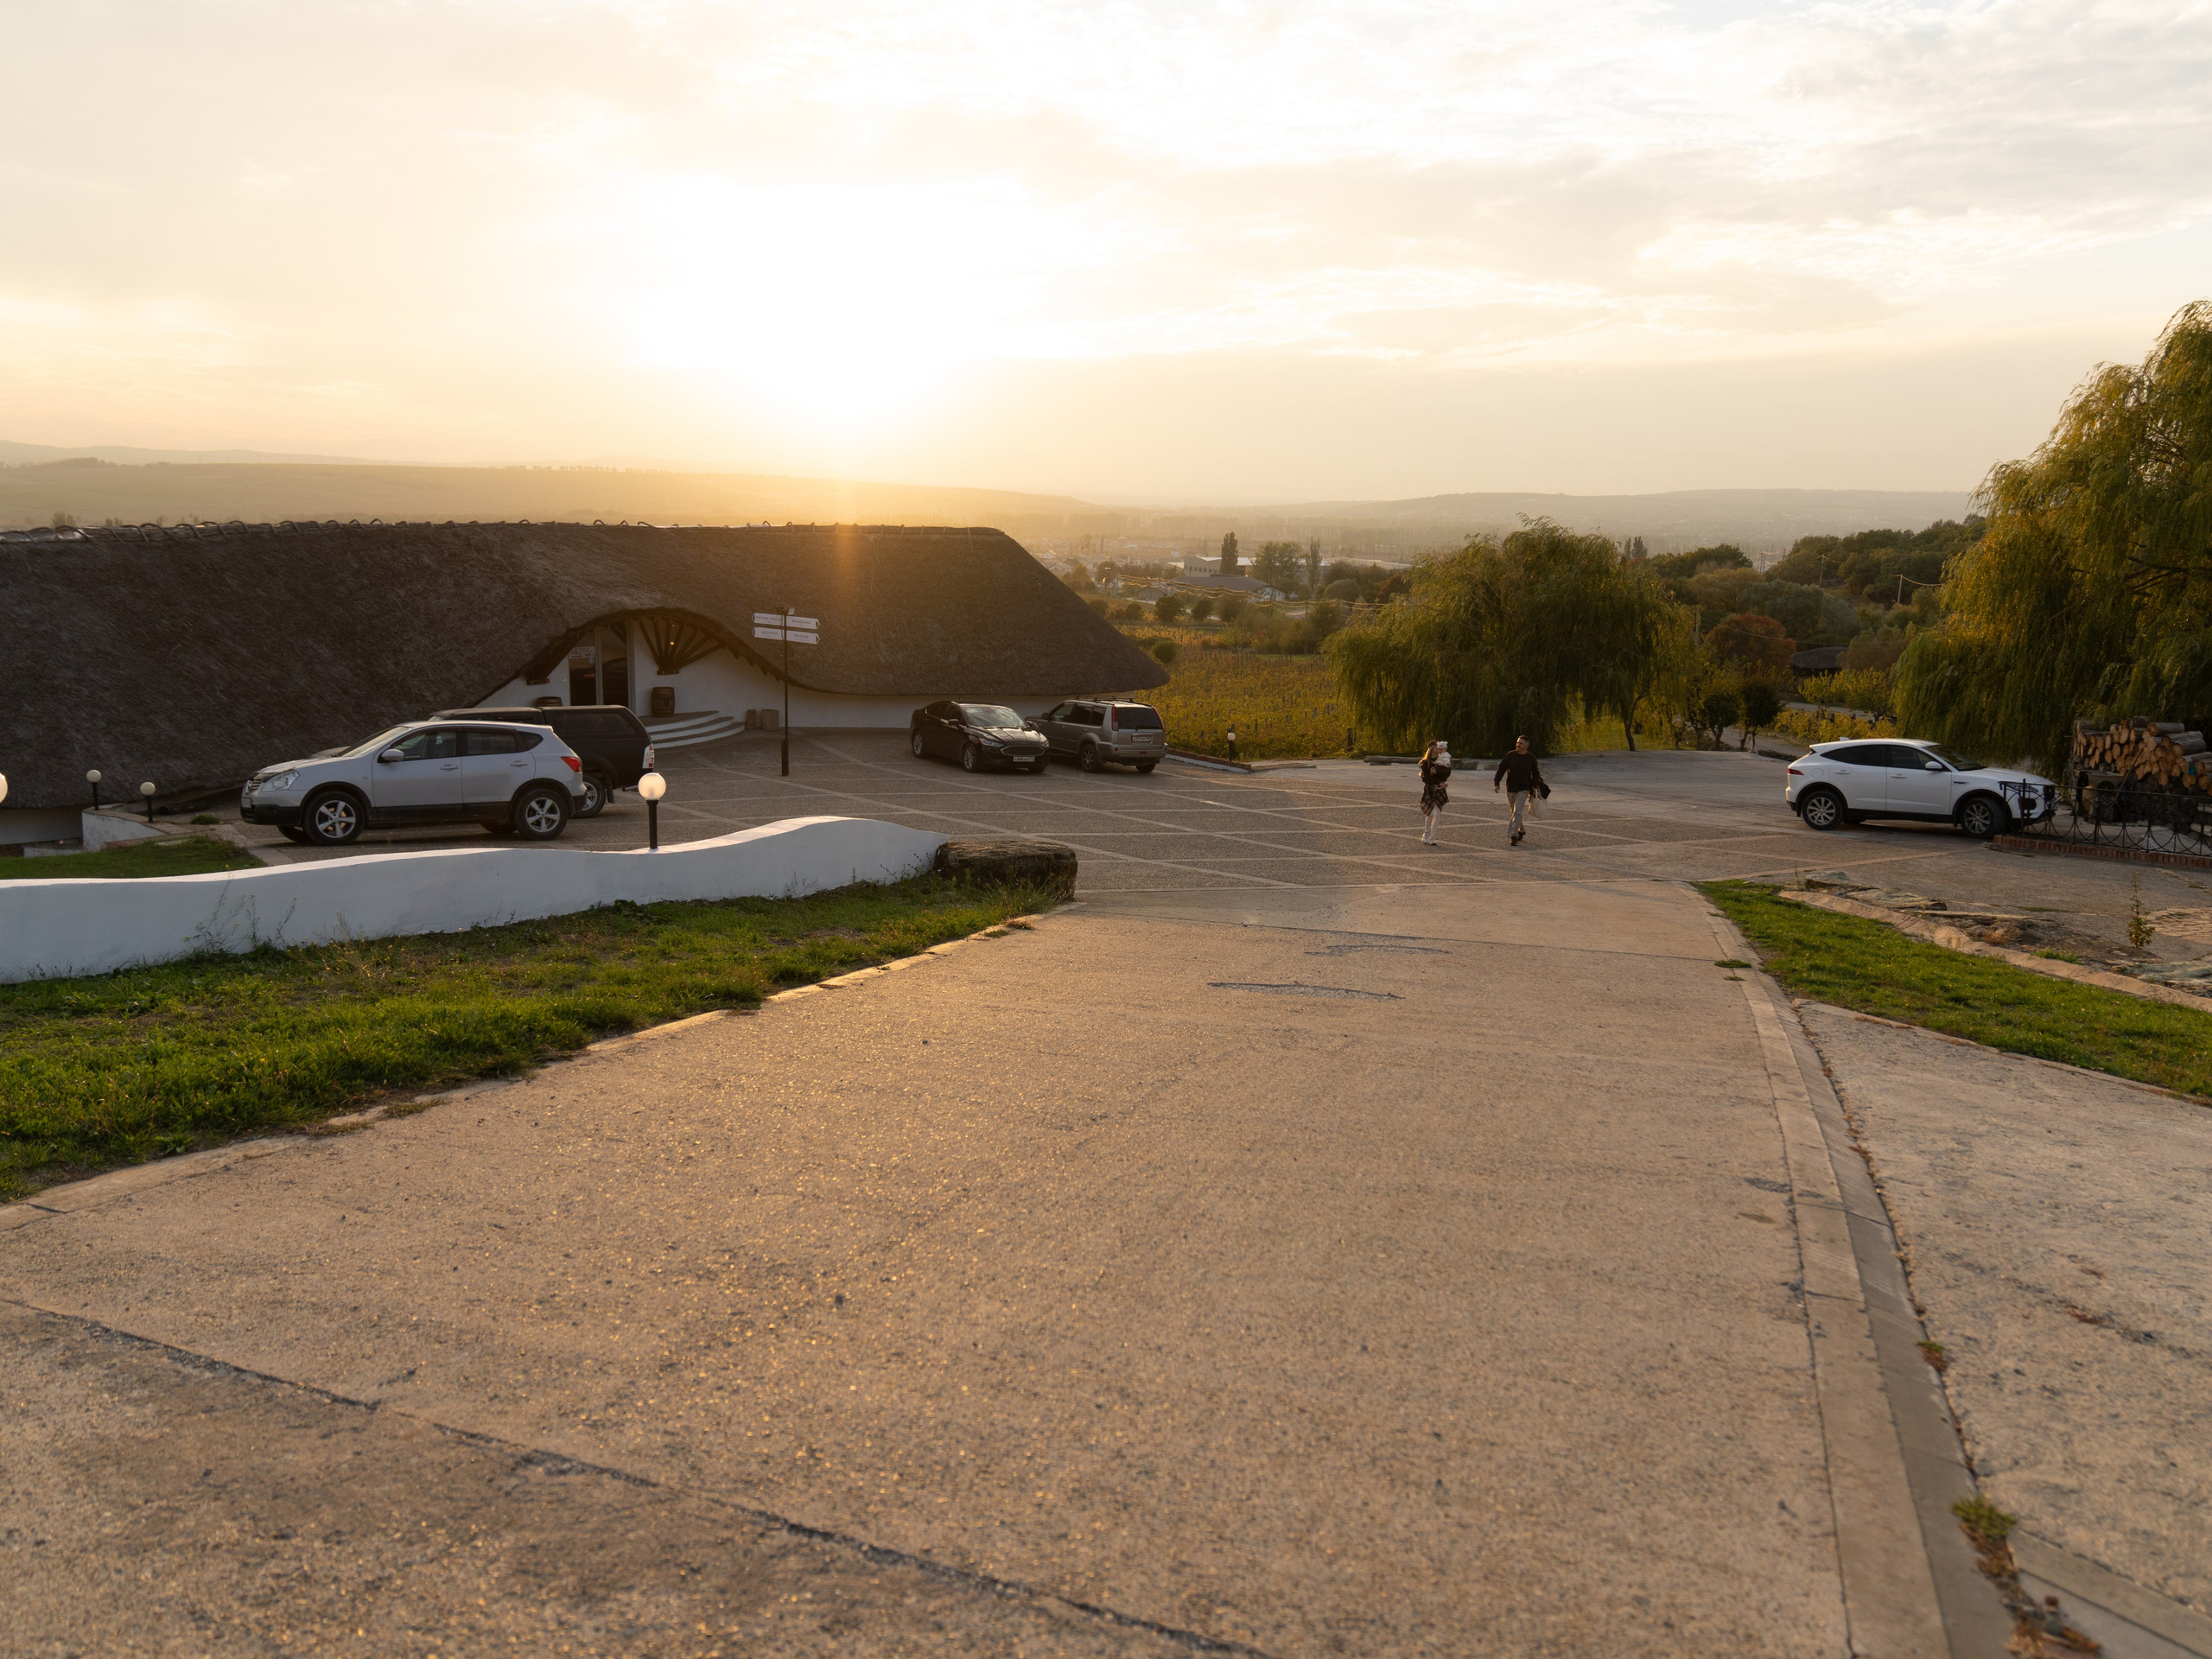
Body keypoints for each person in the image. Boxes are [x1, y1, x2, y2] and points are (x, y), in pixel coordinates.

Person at [1493, 736, 1548, 846]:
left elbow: (1536, 773)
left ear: (1527, 745)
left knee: (1517, 811)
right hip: (1511, 788)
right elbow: (1501, 769)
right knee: (1514, 812)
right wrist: (1496, 783)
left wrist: (1536, 784)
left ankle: (1513, 836)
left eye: (1521, 743)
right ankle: (1521, 830)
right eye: (1518, 743)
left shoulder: (1531, 758)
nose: (1518, 745)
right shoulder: (1510, 756)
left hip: (1524, 789)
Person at [1417, 740, 1452, 844]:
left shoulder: (1442, 760)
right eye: (1437, 747)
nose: (1439, 748)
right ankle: (1426, 833)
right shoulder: (1425, 762)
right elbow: (1426, 778)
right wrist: (1439, 782)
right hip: (1430, 788)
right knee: (1431, 813)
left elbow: (1447, 773)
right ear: (1432, 748)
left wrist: (1437, 773)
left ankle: (1433, 837)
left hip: (1440, 789)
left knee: (1438, 813)